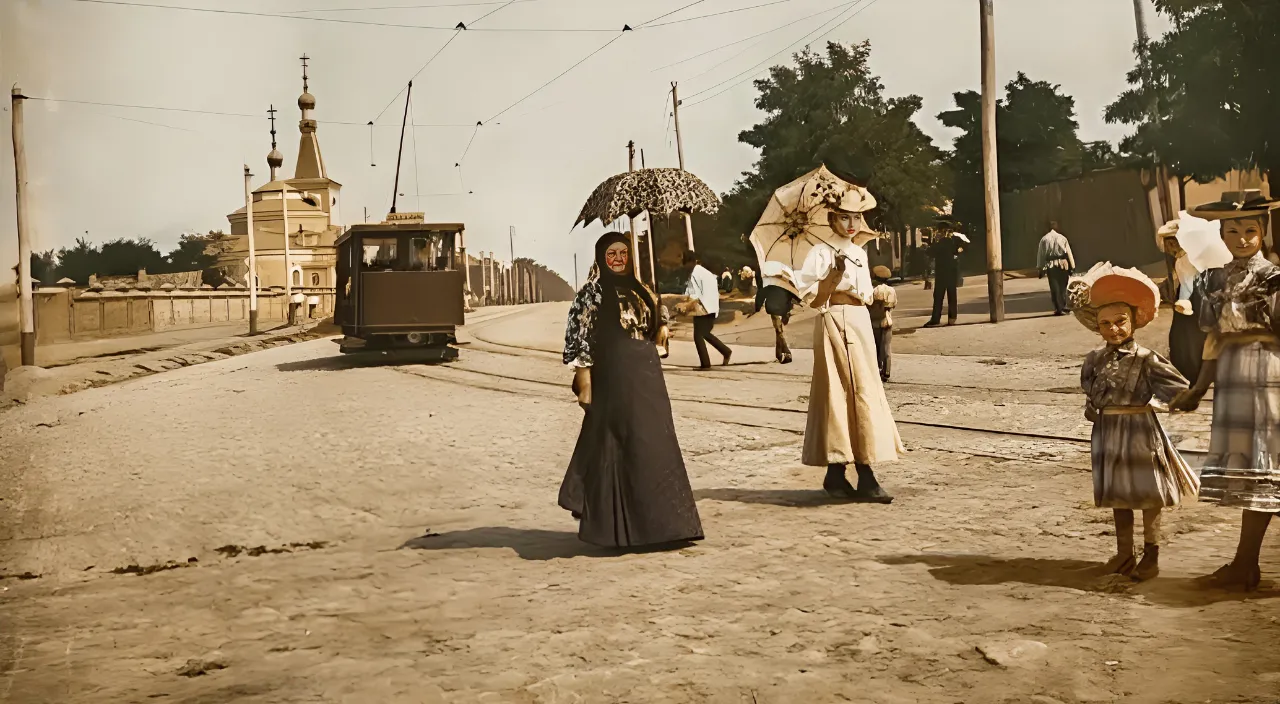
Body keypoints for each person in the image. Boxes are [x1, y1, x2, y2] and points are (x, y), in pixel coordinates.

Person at [559, 232, 703, 548]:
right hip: (616, 370)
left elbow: (657, 324)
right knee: (626, 440)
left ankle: (665, 526)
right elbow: (579, 338)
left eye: (623, 253)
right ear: (601, 257)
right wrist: (584, 380)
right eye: (611, 254)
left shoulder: (644, 290)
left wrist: (662, 325)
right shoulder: (591, 294)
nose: (618, 259)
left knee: (655, 441)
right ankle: (623, 529)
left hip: (648, 372)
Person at [1171, 190, 1280, 592]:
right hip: (1234, 380)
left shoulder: (1274, 279)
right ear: (1222, 234)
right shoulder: (1214, 280)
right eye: (1232, 231)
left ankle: (1244, 564)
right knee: (1253, 475)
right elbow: (1214, 342)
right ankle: (1245, 565)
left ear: (1263, 232)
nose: (1242, 239)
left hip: (1269, 376)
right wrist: (1198, 388)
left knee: (1270, 467)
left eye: (1250, 230)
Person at [1070, 263, 1199, 581]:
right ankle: (1124, 554)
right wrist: (1093, 409)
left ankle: (1151, 556)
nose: (1113, 329)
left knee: (1146, 494)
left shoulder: (1147, 359)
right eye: (1106, 324)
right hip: (1107, 434)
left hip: (1140, 433)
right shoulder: (1094, 359)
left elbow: (1180, 390)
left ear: (1133, 322)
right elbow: (1090, 390)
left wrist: (1163, 402)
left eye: (1120, 322)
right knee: (1117, 494)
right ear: (1098, 327)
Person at [794, 196, 904, 502]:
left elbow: (866, 295)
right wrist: (832, 279)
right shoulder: (819, 252)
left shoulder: (859, 253)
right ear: (831, 220)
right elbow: (813, 300)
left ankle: (837, 473)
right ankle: (864, 475)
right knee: (840, 392)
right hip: (833, 321)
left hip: (859, 322)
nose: (852, 224)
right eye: (844, 218)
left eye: (856, 218)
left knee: (865, 392)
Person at [1161, 224, 1207, 382]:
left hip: (1193, 300)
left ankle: (1192, 372)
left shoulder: (1186, 260)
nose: (1168, 247)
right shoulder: (1183, 259)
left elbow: (1188, 283)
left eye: (1171, 243)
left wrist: (1184, 301)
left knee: (1189, 337)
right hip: (1191, 298)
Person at [682, 251, 732, 370]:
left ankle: (706, 363)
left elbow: (695, 294)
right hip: (710, 306)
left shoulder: (695, 273)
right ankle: (725, 352)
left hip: (703, 307)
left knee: (699, 335)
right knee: (704, 333)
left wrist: (686, 306)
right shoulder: (703, 272)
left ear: (690, 262)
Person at [755, 266, 799, 364]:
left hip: (774, 309)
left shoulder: (771, 283)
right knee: (778, 330)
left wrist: (757, 307)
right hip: (783, 309)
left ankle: (787, 352)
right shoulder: (787, 283)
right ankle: (779, 355)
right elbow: (794, 294)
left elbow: (761, 294)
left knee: (779, 331)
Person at [924, 230, 964, 327]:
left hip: (941, 274)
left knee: (938, 297)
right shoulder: (953, 244)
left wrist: (934, 242)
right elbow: (961, 250)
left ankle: (936, 319)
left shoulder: (939, 245)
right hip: (951, 274)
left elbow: (928, 252)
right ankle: (952, 318)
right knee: (952, 296)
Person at [1038, 222, 1076, 316]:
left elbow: (1041, 255)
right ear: (1057, 227)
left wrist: (1040, 268)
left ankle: (1058, 308)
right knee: (1063, 286)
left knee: (1054, 287)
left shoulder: (1044, 239)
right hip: (1063, 265)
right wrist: (1072, 267)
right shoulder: (1062, 238)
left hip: (1051, 266)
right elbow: (1069, 253)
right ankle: (1063, 306)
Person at [869, 266, 896, 383]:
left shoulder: (873, 290)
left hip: (873, 323)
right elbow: (893, 305)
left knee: (875, 348)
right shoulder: (891, 290)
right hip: (887, 321)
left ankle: (877, 369)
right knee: (886, 348)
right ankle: (886, 371)